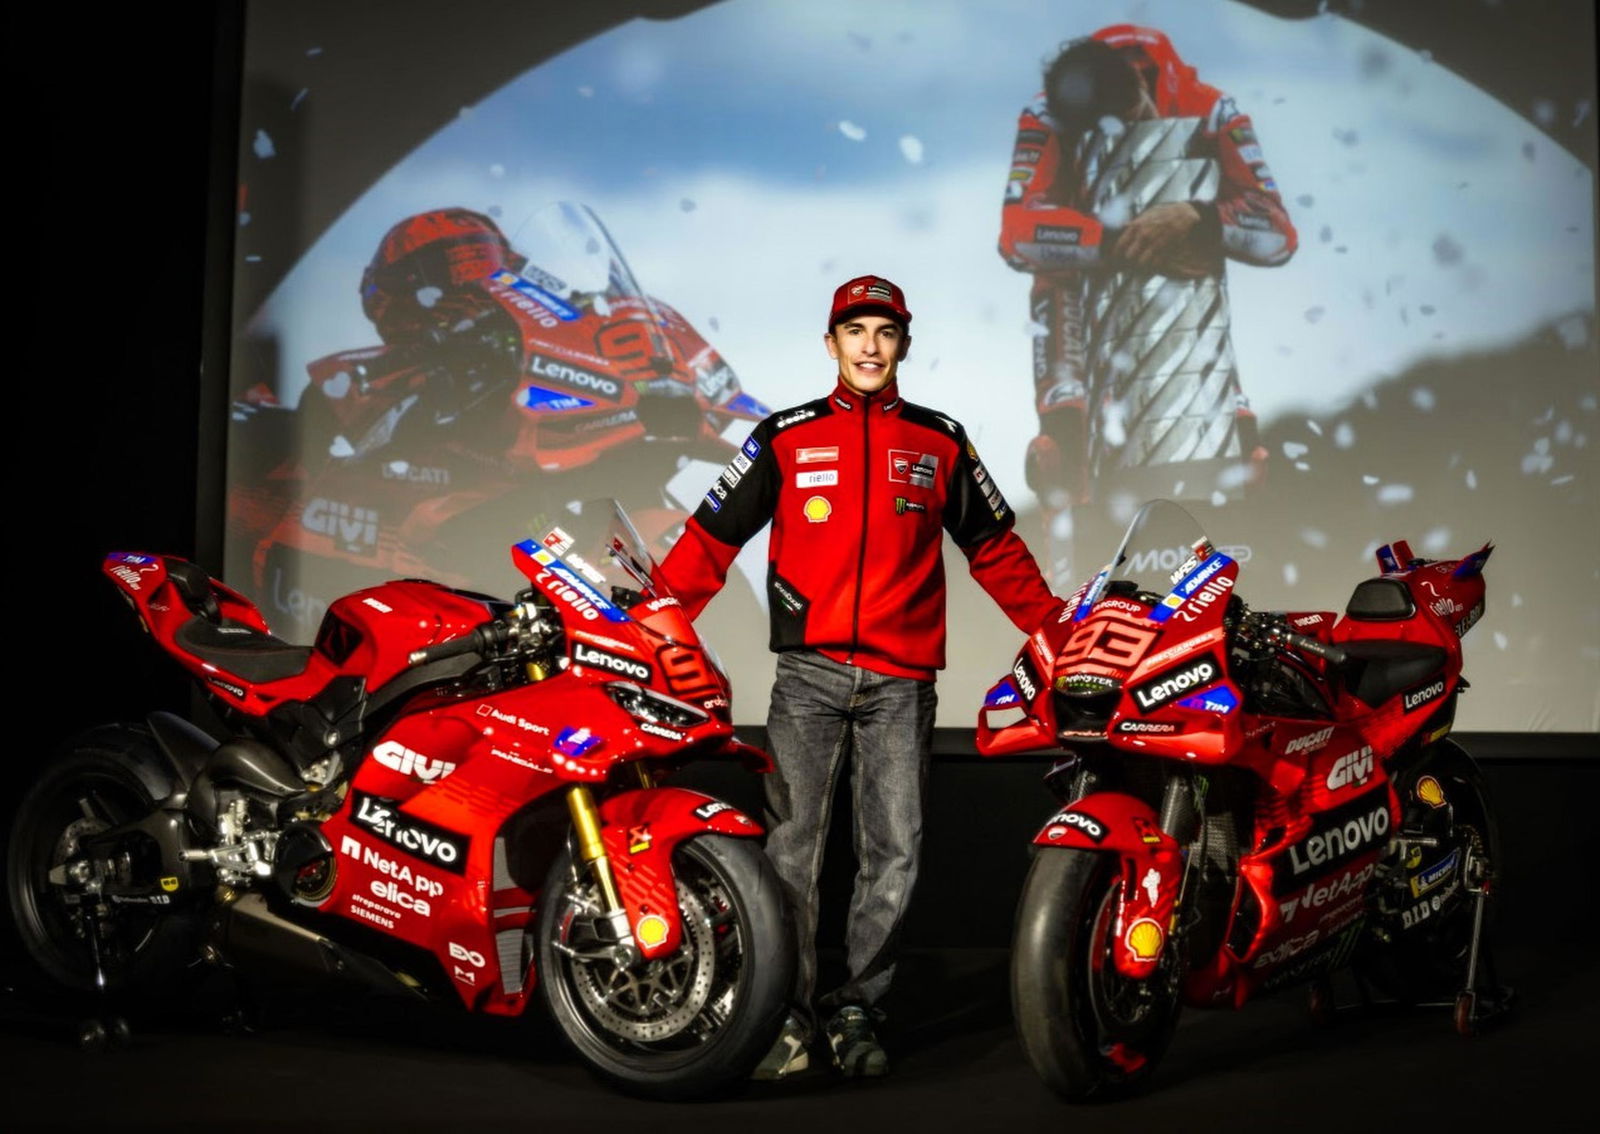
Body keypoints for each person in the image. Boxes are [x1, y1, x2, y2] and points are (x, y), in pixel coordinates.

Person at [655, 275, 1058, 1078]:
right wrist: (650, 624)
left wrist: (1056, 627)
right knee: (792, 853)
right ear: (831, 343)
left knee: (894, 854)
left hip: (901, 685)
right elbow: (707, 543)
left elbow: (996, 551)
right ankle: (788, 1016)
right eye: (855, 331)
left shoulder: (942, 441)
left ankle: (858, 1009)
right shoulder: (783, 437)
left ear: (904, 344)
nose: (870, 345)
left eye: (885, 331)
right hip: (805, 679)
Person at [998, 23, 1298, 588]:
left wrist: (1200, 218)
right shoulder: (1047, 116)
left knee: (1242, 456)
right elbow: (1015, 232)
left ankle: (1245, 601)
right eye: (1097, 142)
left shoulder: (1209, 108)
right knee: (1062, 459)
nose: (1120, 148)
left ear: (1143, 83)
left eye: (1131, 123)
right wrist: (1119, 242)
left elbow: (1279, 233)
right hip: (1076, 316)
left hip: (1191, 332)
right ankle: (1079, 612)